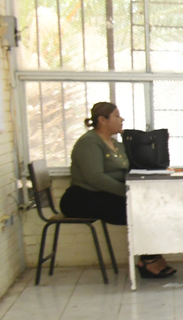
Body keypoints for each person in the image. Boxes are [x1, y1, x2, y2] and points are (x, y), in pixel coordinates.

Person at [61, 102, 174, 278]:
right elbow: (95, 178)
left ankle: (150, 257)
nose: (122, 119)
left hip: (103, 195)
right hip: (82, 198)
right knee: (142, 211)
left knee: (151, 207)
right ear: (102, 120)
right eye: (117, 116)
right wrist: (128, 193)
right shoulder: (89, 143)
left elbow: (128, 169)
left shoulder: (115, 143)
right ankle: (147, 261)